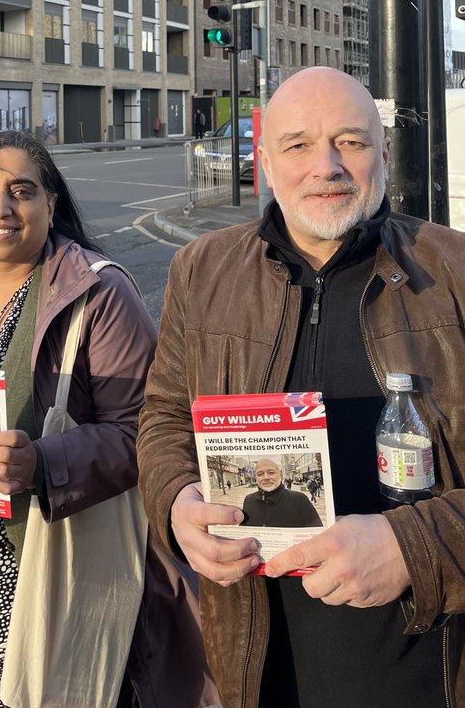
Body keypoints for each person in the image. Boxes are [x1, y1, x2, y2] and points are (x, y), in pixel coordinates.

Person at [138, 67, 465, 708]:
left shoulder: (456, 274)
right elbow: (164, 418)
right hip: (257, 669)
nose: (327, 167)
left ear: (384, 154)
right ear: (264, 161)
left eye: (350, 141)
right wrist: (177, 504)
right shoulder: (200, 270)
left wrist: (414, 547)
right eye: (297, 145)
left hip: (428, 675)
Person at [0, 130, 214, 708]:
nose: (2, 208)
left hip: (59, 582)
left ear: (51, 205)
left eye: (22, 191)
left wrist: (45, 463)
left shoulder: (99, 295)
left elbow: (148, 430)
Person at [240, 458, 321, 528]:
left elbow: (318, 535)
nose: (266, 477)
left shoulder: (300, 500)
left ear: (280, 475)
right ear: (256, 478)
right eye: (260, 474)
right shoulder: (248, 500)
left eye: (271, 472)